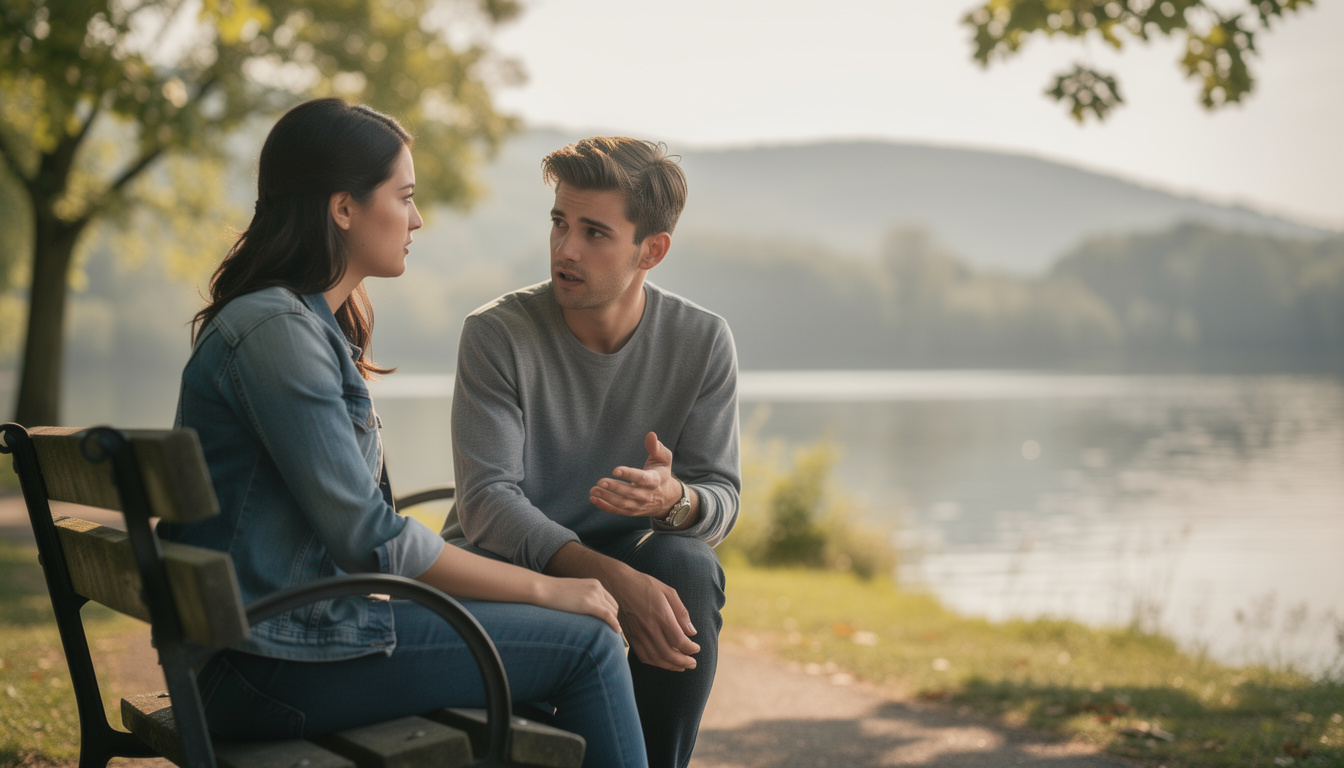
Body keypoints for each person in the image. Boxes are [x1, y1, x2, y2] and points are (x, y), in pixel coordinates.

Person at [158, 99, 648, 768]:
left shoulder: (296, 325)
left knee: (558, 638)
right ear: (343, 208)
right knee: (585, 644)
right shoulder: (278, 333)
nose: (417, 218)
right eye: (405, 196)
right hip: (267, 663)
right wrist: (547, 588)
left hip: (268, 644)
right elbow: (371, 540)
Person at [442, 136, 741, 768]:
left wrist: (676, 501)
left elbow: (722, 500)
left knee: (687, 566)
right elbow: (487, 503)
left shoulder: (704, 341)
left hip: (622, 565)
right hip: (505, 578)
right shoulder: (496, 334)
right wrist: (610, 578)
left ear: (650, 250)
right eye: (559, 223)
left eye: (594, 233)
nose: (565, 249)